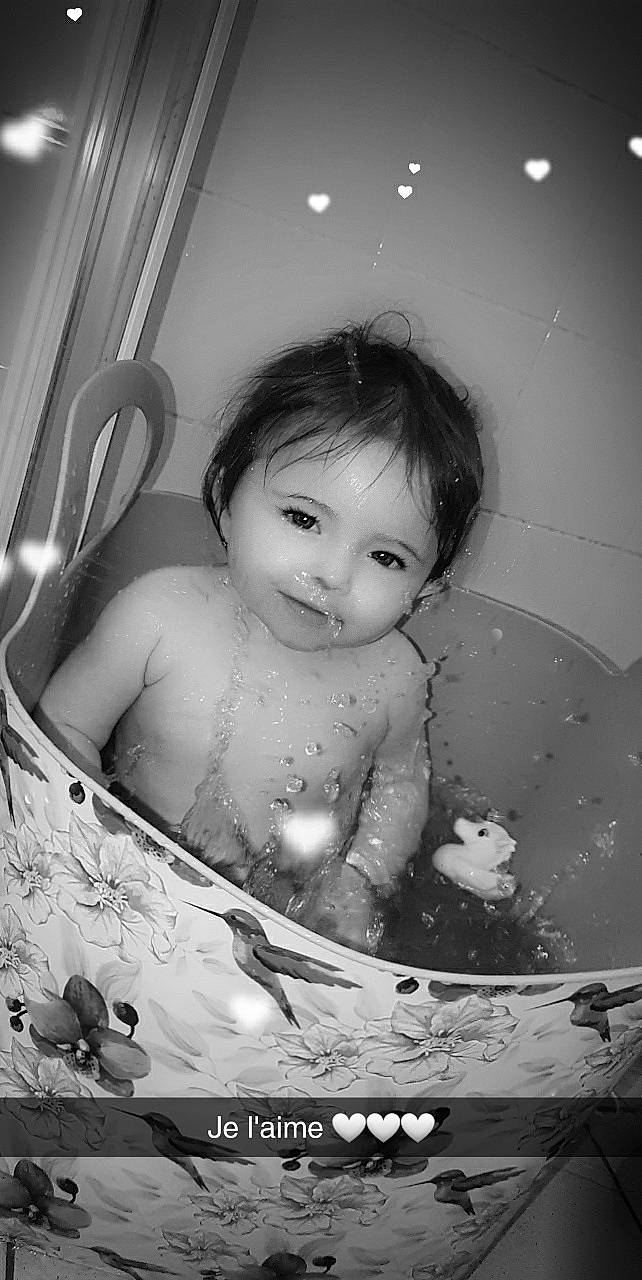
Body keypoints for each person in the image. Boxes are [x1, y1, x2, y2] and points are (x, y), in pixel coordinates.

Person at [37, 314, 483, 953]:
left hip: (287, 921)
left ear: (426, 591)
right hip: (127, 890)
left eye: (387, 558)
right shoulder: (159, 614)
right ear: (226, 495)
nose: (331, 573)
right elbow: (63, 732)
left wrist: (362, 877)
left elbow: (400, 784)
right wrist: (100, 836)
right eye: (303, 518)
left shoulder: (396, 675)